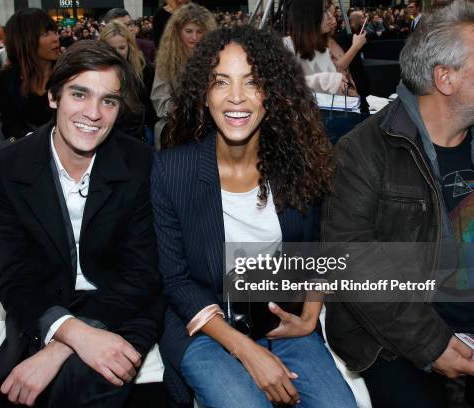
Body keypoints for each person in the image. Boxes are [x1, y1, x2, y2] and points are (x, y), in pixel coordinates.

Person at [152, 25, 357, 408]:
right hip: (206, 330)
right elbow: (175, 280)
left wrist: (310, 314)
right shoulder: (171, 171)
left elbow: (319, 247)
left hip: (283, 321)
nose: (235, 98)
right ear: (204, 93)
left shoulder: (300, 164)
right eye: (220, 82)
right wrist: (249, 351)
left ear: (272, 93)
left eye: (252, 82)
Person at [0, 40, 164, 407]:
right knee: (3, 396)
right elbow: (14, 277)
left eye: (108, 101)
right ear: (53, 97)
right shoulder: (8, 166)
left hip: (123, 305)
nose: (93, 113)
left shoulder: (140, 162)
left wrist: (62, 348)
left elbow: (143, 275)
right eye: (80, 94)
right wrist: (71, 333)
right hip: (44, 305)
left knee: (90, 381)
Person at [323, 2, 474, 407]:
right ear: (445, 78)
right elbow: (353, 264)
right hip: (396, 338)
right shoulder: (363, 151)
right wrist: (432, 344)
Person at [152, 3, 217, 147]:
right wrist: (185, 108)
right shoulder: (167, 59)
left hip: (211, 127)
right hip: (175, 130)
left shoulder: (216, 58)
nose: (194, 37)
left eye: (199, 31)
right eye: (189, 31)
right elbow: (160, 102)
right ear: (178, 31)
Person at [0, 8, 60, 141]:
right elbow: (9, 123)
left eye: (55, 32)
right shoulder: (7, 79)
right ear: (24, 40)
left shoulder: (68, 73)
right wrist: (31, 139)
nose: (55, 38)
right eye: (45, 34)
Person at [100, 21, 156, 142]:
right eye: (111, 48)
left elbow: (150, 104)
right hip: (107, 134)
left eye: (121, 48)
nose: (117, 53)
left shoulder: (143, 67)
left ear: (129, 46)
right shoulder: (95, 71)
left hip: (139, 135)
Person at [283, 0, 349, 95]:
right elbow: (284, 87)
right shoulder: (285, 47)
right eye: (324, 11)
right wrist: (327, 80)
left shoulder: (322, 48)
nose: (330, 16)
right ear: (307, 15)